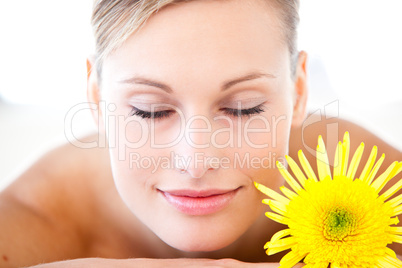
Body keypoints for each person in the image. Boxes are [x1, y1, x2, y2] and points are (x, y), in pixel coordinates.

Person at [1, 0, 401, 267]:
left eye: (244, 108)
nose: (196, 161)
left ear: (298, 93)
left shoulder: (372, 185)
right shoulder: (25, 227)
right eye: (150, 110)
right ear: (96, 98)